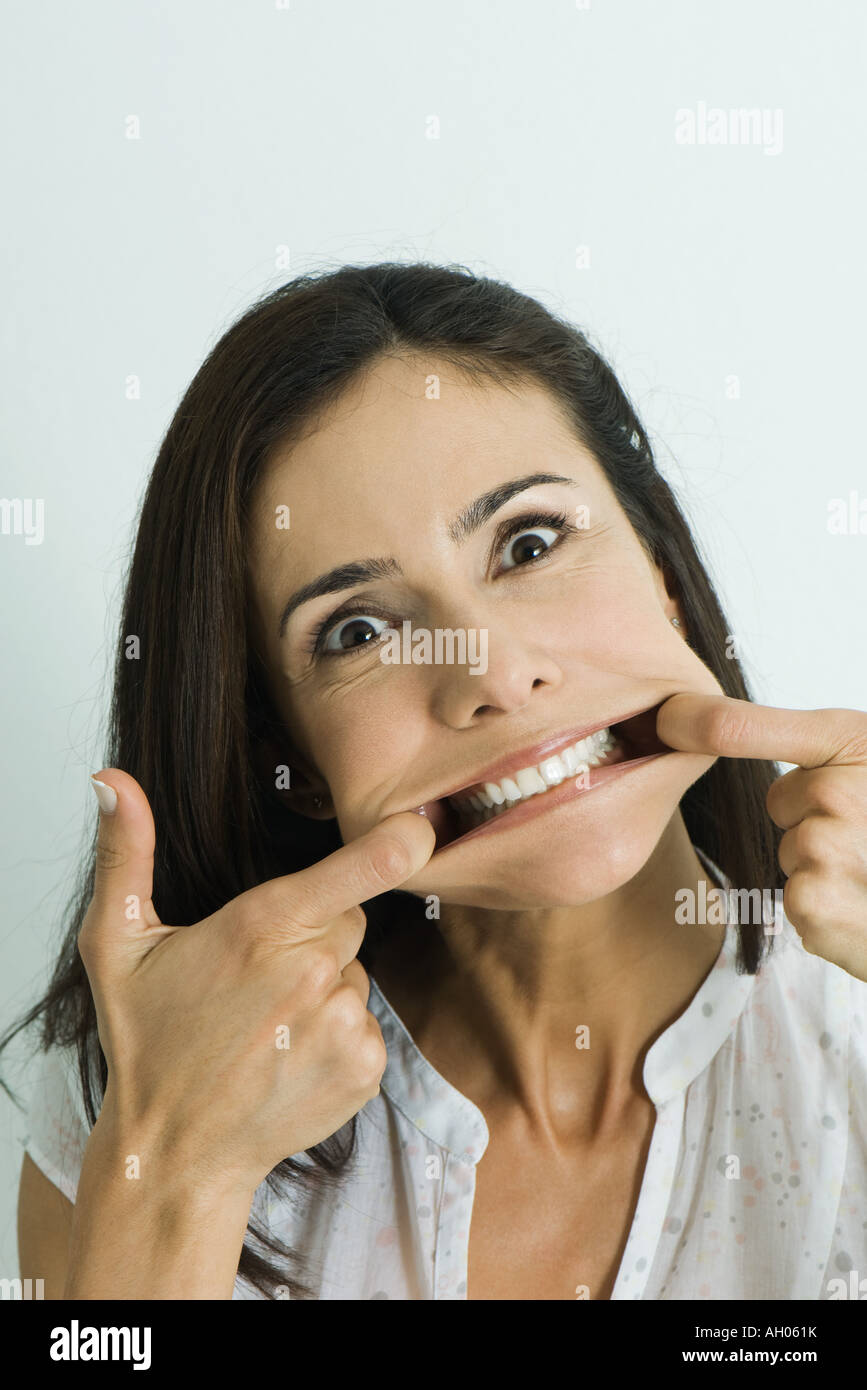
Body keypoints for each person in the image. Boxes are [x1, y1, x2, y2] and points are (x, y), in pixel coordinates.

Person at [8, 263, 867, 1300]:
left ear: (666, 580)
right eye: (359, 629)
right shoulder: (145, 1108)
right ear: (292, 766)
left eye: (531, 542)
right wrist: (177, 1174)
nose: (497, 674)